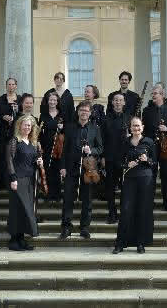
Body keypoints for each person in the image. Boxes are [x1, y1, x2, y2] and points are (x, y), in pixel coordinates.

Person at [59, 100, 103, 240]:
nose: (84, 112)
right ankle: (66, 227)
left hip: (88, 169)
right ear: (78, 112)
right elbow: (64, 150)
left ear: (90, 113)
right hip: (71, 168)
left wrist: (92, 150)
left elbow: (100, 148)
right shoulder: (70, 127)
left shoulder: (95, 128)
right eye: (82, 110)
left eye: (86, 110)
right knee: (67, 199)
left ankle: (84, 227)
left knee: (87, 200)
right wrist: (63, 167)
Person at [112, 116, 156, 254]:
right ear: (130, 128)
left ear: (142, 127)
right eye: (133, 126)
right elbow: (117, 161)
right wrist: (126, 164)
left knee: (142, 210)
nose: (136, 128)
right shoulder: (125, 142)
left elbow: (155, 162)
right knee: (125, 209)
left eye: (138, 126)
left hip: (145, 179)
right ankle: (120, 243)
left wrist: (147, 159)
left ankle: (140, 243)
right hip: (130, 178)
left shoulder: (149, 142)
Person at [142, 83, 167, 213]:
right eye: (152, 93)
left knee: (166, 176)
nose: (153, 95)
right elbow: (144, 131)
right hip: (151, 148)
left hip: (166, 148)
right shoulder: (147, 111)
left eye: (155, 93)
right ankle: (148, 202)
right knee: (150, 176)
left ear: (162, 95)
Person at [6, 115, 43, 251]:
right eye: (25, 125)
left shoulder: (32, 142)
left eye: (29, 125)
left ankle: (21, 240)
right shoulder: (14, 141)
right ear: (19, 126)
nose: (27, 127)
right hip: (18, 180)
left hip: (29, 180)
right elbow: (9, 160)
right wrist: (13, 178)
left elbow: (32, 161)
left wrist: (38, 162)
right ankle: (13, 240)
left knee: (26, 211)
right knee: (17, 210)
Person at [101, 93, 130, 224]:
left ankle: (124, 212)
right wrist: (102, 157)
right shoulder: (105, 119)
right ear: (112, 103)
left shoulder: (129, 118)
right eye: (116, 100)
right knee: (110, 188)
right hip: (110, 158)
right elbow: (101, 140)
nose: (118, 102)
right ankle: (112, 213)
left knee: (125, 188)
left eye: (120, 100)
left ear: (124, 103)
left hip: (125, 159)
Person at [0, 78, 22, 192]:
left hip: (16, 133)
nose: (11, 86)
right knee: (2, 156)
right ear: (6, 86)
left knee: (15, 156)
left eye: (13, 84)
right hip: (2, 133)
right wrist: (2, 117)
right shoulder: (0, 100)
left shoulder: (20, 100)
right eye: (9, 84)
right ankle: (1, 182)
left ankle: (14, 179)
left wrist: (17, 112)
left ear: (16, 86)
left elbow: (23, 115)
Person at [38, 93, 65, 204]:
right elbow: (39, 131)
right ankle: (48, 193)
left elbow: (66, 132)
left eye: (55, 100)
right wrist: (39, 142)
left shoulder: (62, 115)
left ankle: (57, 194)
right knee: (47, 171)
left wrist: (62, 128)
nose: (52, 102)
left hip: (58, 148)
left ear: (57, 102)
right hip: (47, 147)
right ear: (47, 101)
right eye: (50, 100)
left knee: (57, 171)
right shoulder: (43, 115)